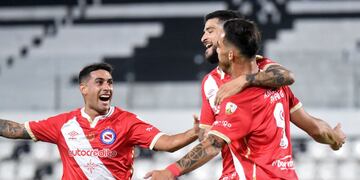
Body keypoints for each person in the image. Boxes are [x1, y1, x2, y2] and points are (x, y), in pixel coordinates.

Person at [145, 19, 346, 180]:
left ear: (231, 55)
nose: (217, 49)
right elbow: (316, 128)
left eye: (220, 46)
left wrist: (171, 171)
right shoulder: (276, 83)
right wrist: (335, 139)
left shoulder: (239, 99)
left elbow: (213, 145)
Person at [0, 63, 199, 179]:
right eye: (100, 82)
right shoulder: (63, 124)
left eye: (110, 83)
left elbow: (169, 144)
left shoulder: (127, 121)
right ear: (83, 88)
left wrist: (194, 133)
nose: (107, 88)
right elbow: (16, 130)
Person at [199, 10, 295, 180]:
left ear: (226, 33)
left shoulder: (262, 67)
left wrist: (245, 79)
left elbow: (288, 77)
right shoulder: (210, 82)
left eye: (210, 31)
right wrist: (201, 132)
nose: (203, 38)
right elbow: (207, 137)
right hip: (234, 173)